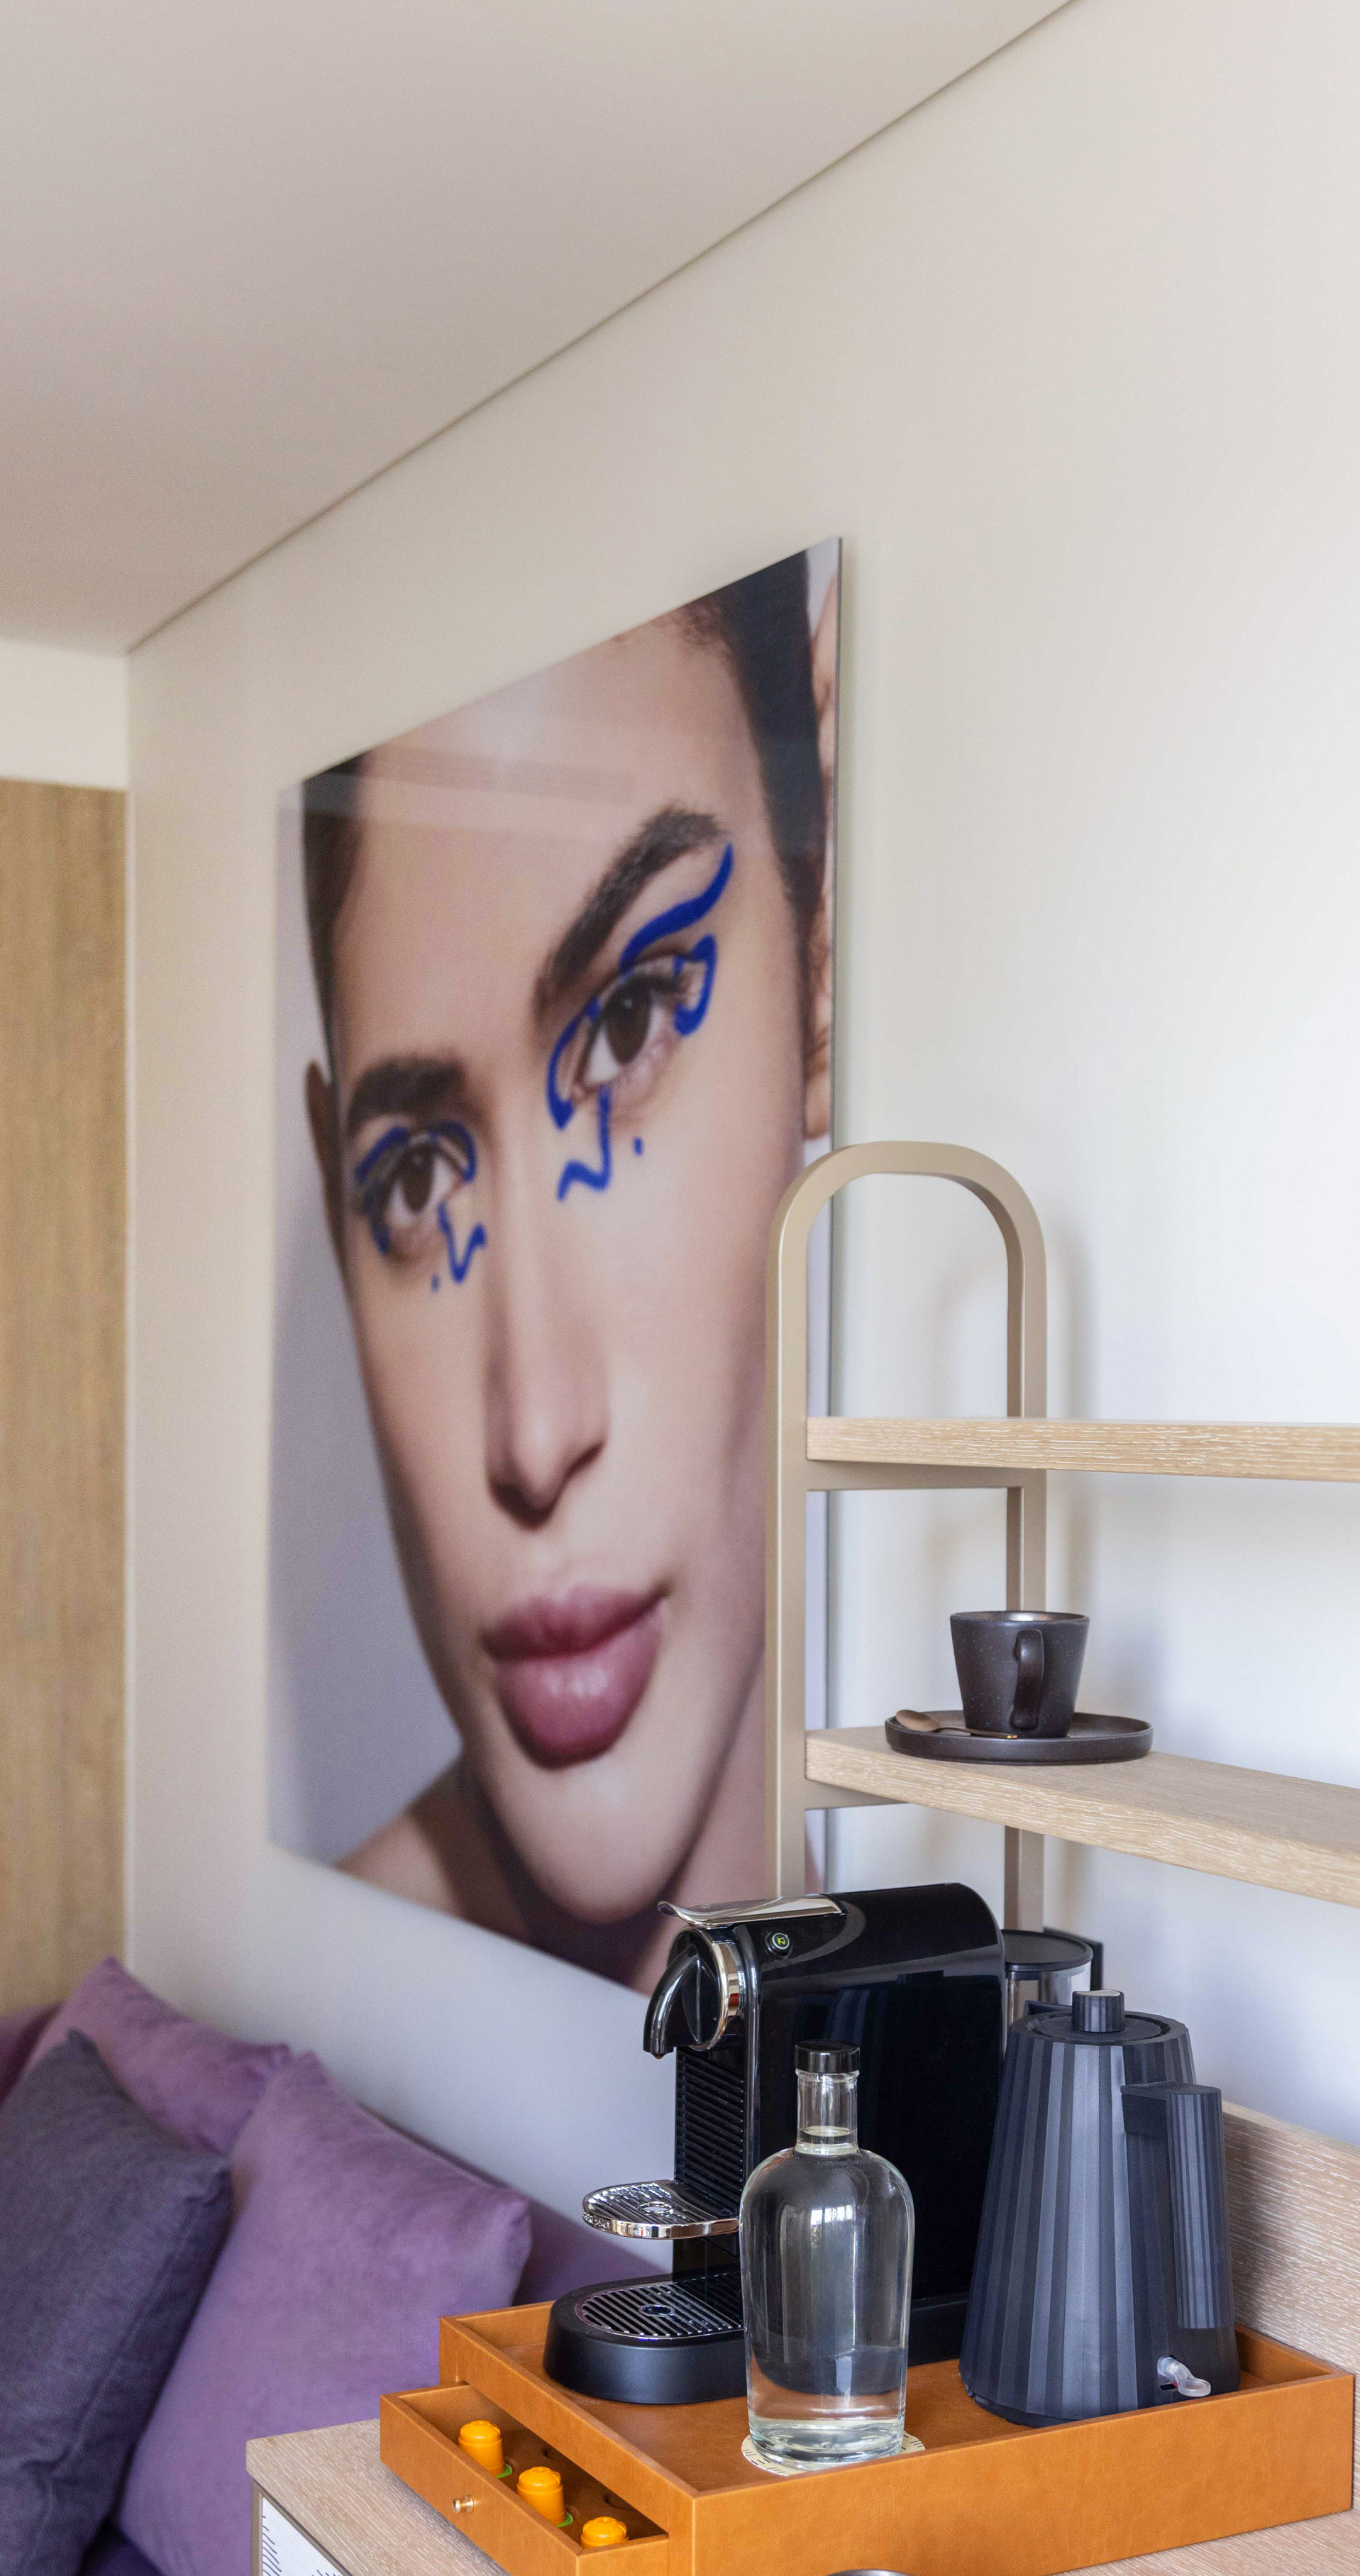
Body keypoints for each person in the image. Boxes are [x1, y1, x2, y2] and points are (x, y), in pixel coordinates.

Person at [302, 548, 836, 1989]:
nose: (535, 1432)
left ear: (825, 958)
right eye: (411, 1176)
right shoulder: (321, 2009)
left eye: (628, 1028)